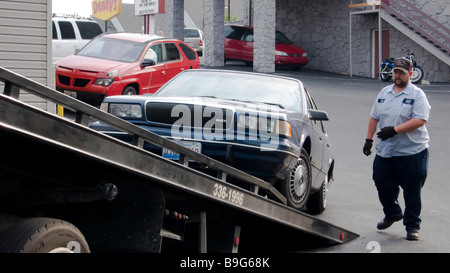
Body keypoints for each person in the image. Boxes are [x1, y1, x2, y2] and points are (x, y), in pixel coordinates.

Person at [363, 57, 431, 241]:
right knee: (381, 181)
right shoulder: (384, 92)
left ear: (410, 73)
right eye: (395, 71)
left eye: (402, 72)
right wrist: (368, 140)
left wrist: (394, 130)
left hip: (412, 152)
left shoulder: (417, 95)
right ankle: (392, 213)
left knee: (412, 190)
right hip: (386, 150)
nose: (398, 75)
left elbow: (420, 120)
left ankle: (412, 226)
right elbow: (374, 117)